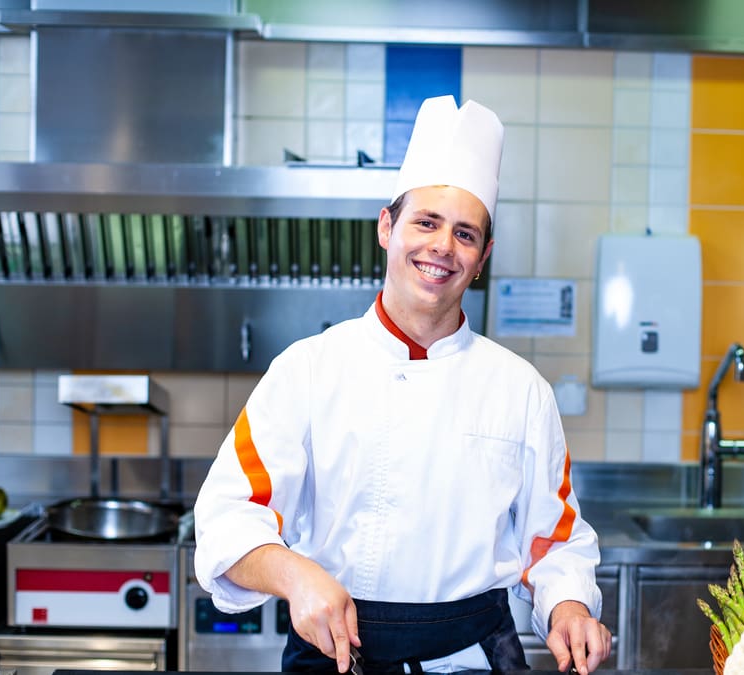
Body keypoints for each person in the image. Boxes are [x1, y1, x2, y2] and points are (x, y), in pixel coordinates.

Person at [193, 95, 612, 674]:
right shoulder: (307, 370)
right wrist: (296, 574)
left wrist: (567, 607)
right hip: (339, 657)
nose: (442, 246)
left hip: (474, 658)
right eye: (426, 222)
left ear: (483, 257)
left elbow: (555, 539)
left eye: (466, 234)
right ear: (387, 228)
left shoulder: (521, 391)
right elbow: (226, 517)